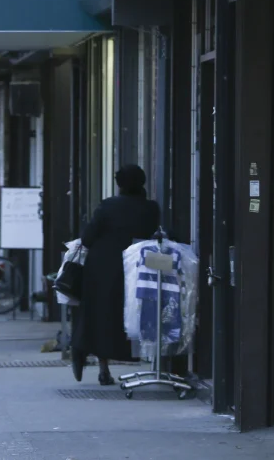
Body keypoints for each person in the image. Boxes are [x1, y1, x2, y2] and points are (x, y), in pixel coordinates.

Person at [72, 164, 160, 385]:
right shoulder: (151, 208)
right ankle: (143, 356)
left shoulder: (108, 206)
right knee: (135, 313)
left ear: (119, 184)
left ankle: (103, 366)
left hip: (103, 269)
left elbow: (87, 237)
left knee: (101, 315)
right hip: (139, 268)